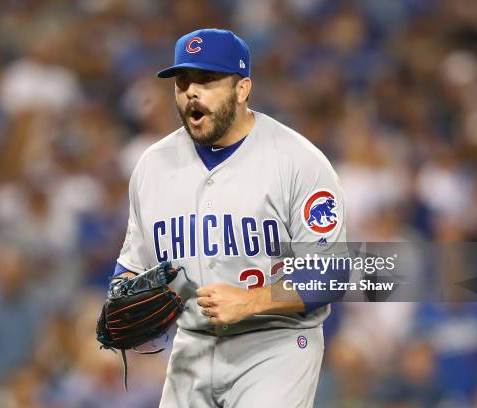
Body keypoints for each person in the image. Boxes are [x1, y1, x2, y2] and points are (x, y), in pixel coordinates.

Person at [111, 28, 347, 408]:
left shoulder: (297, 160)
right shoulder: (153, 166)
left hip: (277, 345)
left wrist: (251, 301)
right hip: (191, 345)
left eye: (207, 80)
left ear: (242, 89)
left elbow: (333, 272)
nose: (191, 91)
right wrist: (123, 295)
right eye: (182, 81)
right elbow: (131, 266)